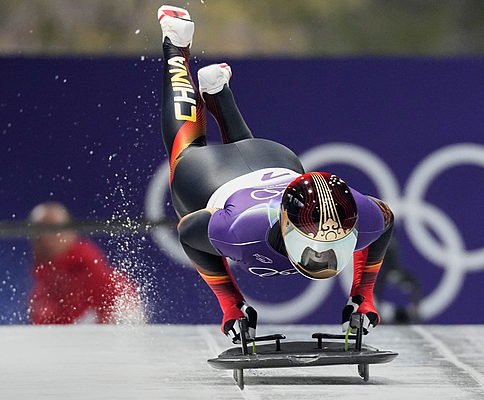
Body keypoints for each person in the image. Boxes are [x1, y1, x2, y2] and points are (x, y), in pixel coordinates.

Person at [158, 6, 393, 342]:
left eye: (333, 244)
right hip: (211, 173)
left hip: (274, 160)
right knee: (186, 149)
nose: (323, 257)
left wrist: (362, 298)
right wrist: (231, 304)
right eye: (317, 246)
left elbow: (386, 220)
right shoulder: (240, 231)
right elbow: (187, 230)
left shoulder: (362, 216)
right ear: (287, 228)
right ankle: (175, 46)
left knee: (241, 149)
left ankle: (217, 91)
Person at [27, 202, 145, 324]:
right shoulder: (41, 290)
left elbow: (126, 311)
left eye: (53, 229)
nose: (44, 237)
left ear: (70, 232)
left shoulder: (90, 270)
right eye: (38, 230)